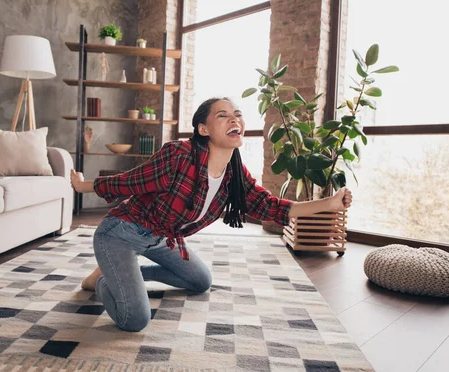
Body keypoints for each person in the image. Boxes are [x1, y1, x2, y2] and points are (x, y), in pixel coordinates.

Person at [70, 97, 352, 332]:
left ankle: (120, 272)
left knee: (200, 281)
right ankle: (109, 277)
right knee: (135, 320)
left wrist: (329, 204)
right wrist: (83, 185)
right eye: (223, 115)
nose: (235, 120)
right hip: (121, 233)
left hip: (162, 238)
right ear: (203, 129)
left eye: (238, 115)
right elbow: (132, 181)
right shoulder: (180, 155)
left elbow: (273, 207)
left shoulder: (234, 175)